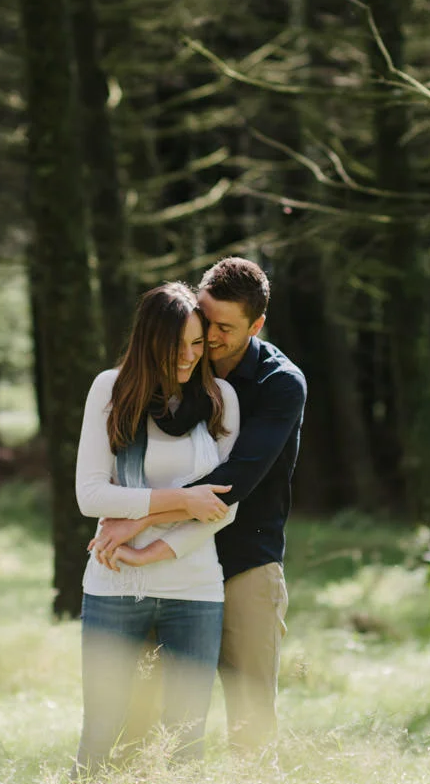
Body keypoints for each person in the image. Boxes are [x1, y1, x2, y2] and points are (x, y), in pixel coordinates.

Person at [91, 258, 305, 749]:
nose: (208, 336)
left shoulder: (279, 384)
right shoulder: (181, 364)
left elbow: (233, 483)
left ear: (256, 326)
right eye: (205, 320)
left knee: (251, 721)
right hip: (169, 563)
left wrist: (135, 518)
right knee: (150, 719)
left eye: (225, 328)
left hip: (245, 562)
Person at [73, 282, 241, 774]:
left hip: (194, 588)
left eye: (197, 343)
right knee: (102, 733)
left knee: (185, 740)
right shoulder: (111, 389)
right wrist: (183, 500)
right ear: (149, 341)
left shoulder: (220, 399)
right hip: (113, 583)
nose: (189, 356)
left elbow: (225, 506)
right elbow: (90, 495)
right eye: (176, 345)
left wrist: (149, 548)